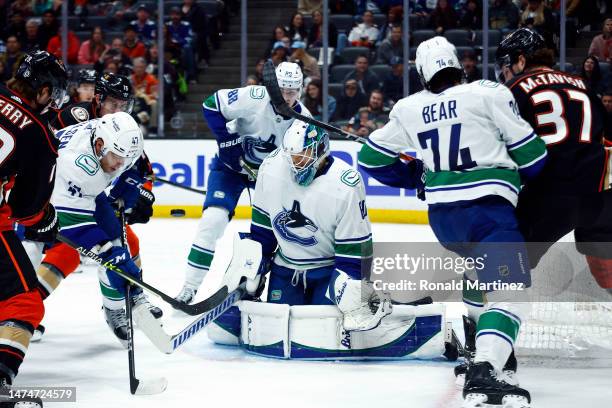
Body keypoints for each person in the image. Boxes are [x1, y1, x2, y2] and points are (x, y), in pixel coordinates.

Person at [358, 36, 548, 407]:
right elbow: (534, 158)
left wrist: (418, 176)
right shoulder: (488, 93)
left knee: (480, 277)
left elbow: (370, 159)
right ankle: (485, 370)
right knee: (512, 294)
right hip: (488, 213)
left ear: (423, 72)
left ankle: (483, 347)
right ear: (459, 65)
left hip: (445, 222)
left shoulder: (409, 108)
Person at [223, 120, 389, 331]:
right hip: (285, 268)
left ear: (321, 150)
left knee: (323, 329)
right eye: (291, 157)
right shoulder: (271, 168)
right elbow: (263, 229)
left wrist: (350, 290)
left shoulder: (346, 184)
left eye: (302, 157)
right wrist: (253, 266)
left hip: (328, 272)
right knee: (276, 327)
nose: (295, 164)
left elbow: (355, 250)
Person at [174, 62, 311, 305]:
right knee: (212, 221)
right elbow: (210, 105)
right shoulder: (254, 96)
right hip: (230, 170)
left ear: (301, 90)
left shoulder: (303, 122)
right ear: (273, 88)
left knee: (269, 236)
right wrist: (226, 141)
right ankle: (190, 287)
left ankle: (249, 282)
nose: (288, 97)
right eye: (283, 91)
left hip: (267, 181)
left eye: (293, 91)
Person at [496, 28, 612, 307]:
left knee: (499, 263)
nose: (504, 73)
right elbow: (606, 139)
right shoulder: (583, 84)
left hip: (551, 194)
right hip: (601, 192)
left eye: (506, 66)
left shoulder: (514, 90)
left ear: (520, 60)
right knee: (605, 269)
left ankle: (485, 336)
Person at [0, 50, 68, 407]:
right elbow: (28, 209)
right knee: (22, 302)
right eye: (53, 93)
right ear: (41, 91)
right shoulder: (39, 134)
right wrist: (46, 223)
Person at [49, 112, 151, 346]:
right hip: (44, 197)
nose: (119, 164)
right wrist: (106, 254)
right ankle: (12, 316)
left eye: (124, 159)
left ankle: (115, 310)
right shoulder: (78, 165)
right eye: (117, 158)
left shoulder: (115, 140)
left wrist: (132, 184)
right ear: (99, 145)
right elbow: (72, 223)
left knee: (118, 243)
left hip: (87, 195)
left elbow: (135, 164)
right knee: (30, 254)